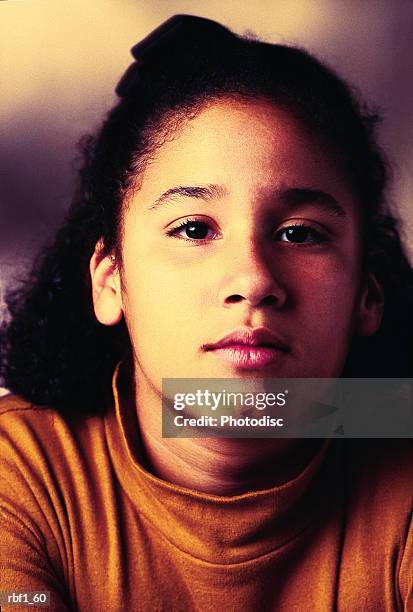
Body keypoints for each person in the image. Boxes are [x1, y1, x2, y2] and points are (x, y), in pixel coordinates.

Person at [0, 14, 412, 611]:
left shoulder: (397, 458)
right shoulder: (24, 467)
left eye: (300, 234)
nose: (253, 279)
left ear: (366, 297)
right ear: (111, 280)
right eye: (194, 229)